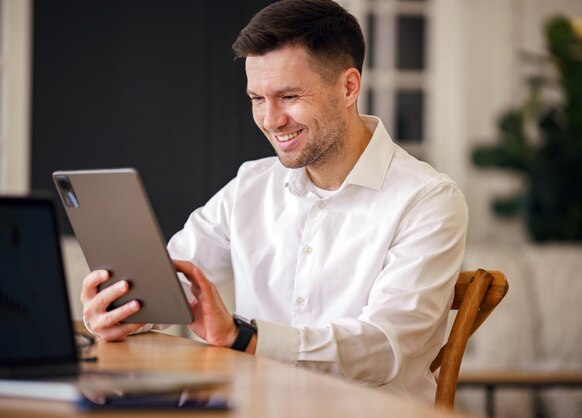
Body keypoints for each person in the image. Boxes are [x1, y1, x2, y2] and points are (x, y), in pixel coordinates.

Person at [80, 0, 468, 402]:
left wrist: (245, 337)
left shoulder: (428, 200)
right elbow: (171, 283)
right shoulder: (251, 185)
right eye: (257, 99)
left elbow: (384, 348)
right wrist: (120, 312)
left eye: (289, 96)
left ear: (349, 87)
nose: (270, 119)